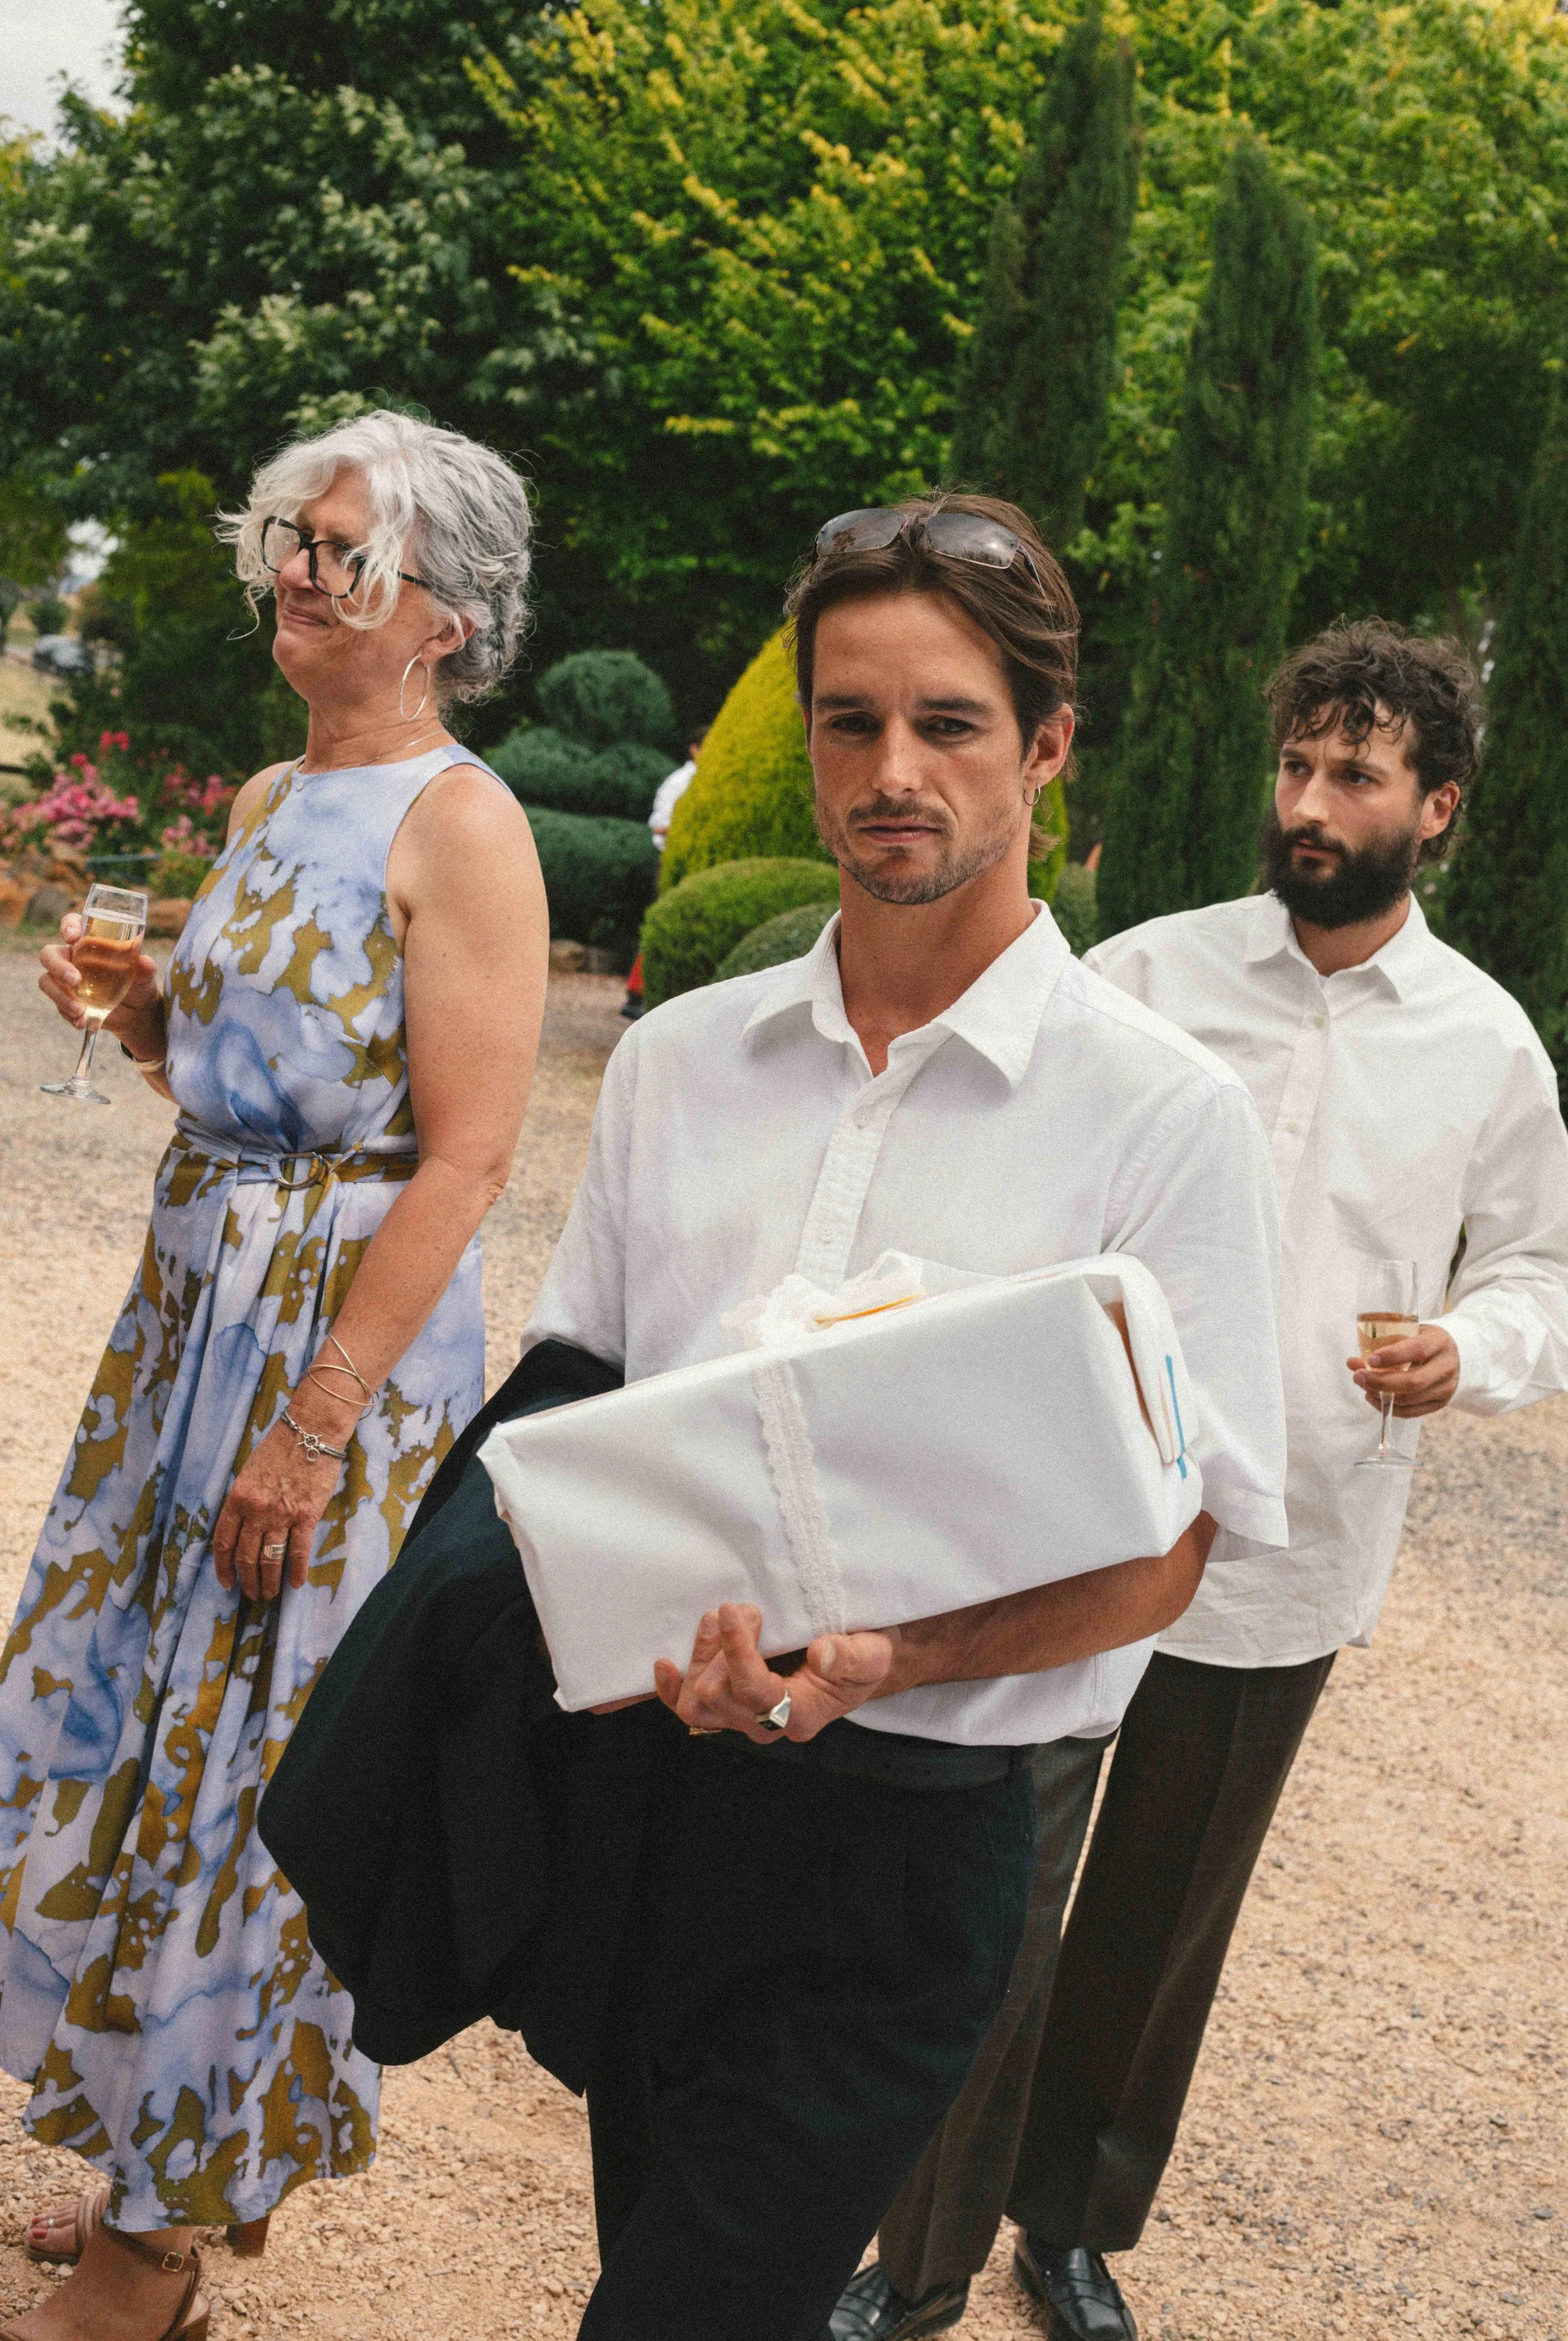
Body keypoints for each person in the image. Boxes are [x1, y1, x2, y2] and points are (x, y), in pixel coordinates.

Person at [516, 492, 1290, 2341]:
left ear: (1042, 747)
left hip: (922, 1828)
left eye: (944, 722)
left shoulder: (1158, 1112)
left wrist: (887, 1650)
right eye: (847, 719)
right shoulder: (679, 1061)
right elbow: (578, 1402)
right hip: (660, 1796)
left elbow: (1173, 1544)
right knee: (662, 2253)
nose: (889, 768)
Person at [834, 617, 1568, 2341]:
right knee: (993, 1903)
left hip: (1290, 1547)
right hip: (1078, 1519)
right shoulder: (1144, 976)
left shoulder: (1483, 1046)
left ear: (1435, 807)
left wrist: (1467, 1349)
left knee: (1160, 1918)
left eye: (1354, 774)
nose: (1307, 802)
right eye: (1295, 763)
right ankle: (910, 2257)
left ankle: (1070, 2227)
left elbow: (1538, 1268)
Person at [0, 408, 547, 2341]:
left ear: (447, 621)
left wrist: (314, 1428)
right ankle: (159, 2149)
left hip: (332, 1353)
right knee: (149, 1709)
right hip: (183, 1330)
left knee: (258, 1761)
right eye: (294, 540)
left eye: (347, 552)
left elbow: (466, 1157)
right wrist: (153, 1018)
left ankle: (161, 2239)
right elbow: (251, 1086)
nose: (299, 575)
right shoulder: (256, 802)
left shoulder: (463, 826)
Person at [622, 725, 712, 1020]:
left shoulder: (708, 779)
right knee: (663, 924)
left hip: (697, 862)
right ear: (694, 749)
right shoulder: (680, 782)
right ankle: (637, 992)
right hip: (672, 861)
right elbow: (658, 825)